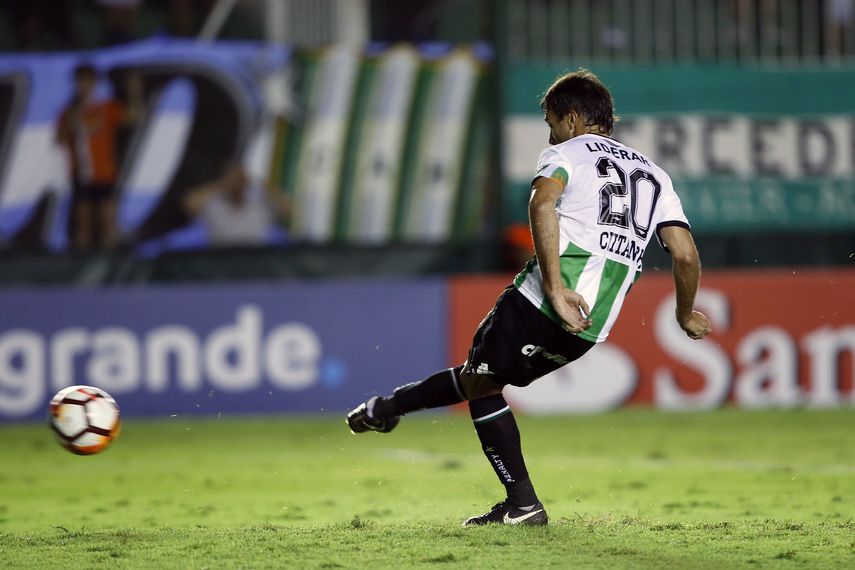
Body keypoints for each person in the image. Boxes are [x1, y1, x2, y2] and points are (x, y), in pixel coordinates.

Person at [346, 69, 711, 526]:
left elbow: (541, 205)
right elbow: (685, 254)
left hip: (545, 299)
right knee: (483, 379)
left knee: (482, 380)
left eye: (552, 121)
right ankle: (388, 409)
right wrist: (682, 313)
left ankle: (522, 504)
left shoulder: (566, 153)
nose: (551, 132)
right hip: (592, 324)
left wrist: (556, 288)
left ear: (573, 118)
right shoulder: (655, 176)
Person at [56, 64, 143, 252]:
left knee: (108, 222)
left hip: (105, 173)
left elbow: (134, 117)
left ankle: (109, 271)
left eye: (89, 81)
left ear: (95, 83)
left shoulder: (106, 109)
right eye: (81, 81)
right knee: (83, 224)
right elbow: (59, 139)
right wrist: (74, 124)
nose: (85, 85)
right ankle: (79, 269)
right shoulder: (69, 112)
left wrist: (134, 92)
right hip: (81, 174)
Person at [182, 162, 289, 247]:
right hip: (220, 259)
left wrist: (265, 186)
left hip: (253, 260)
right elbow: (189, 205)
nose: (236, 183)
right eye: (232, 178)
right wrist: (220, 185)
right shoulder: (215, 205)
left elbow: (288, 209)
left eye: (239, 179)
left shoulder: (260, 205)